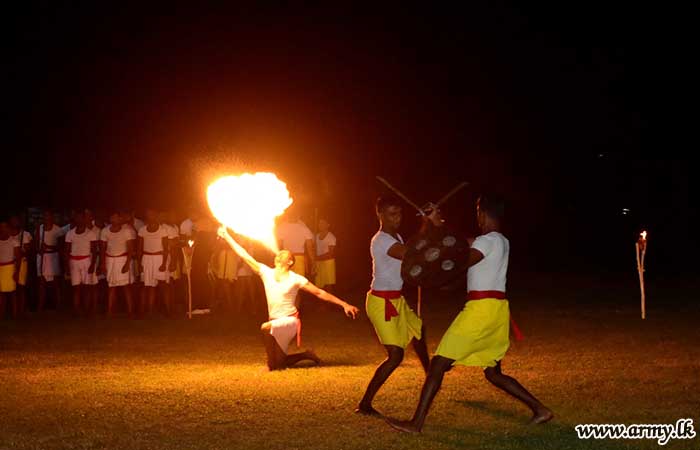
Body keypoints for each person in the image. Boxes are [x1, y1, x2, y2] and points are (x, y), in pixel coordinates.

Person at [386, 194, 553, 433]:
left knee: (438, 364)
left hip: (480, 310)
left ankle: (416, 423)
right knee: (493, 373)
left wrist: (437, 232)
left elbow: (459, 256)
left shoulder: (487, 242)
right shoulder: (500, 240)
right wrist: (436, 223)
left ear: (482, 214)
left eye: (477, 212)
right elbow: (462, 242)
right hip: (496, 309)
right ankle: (540, 410)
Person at [217, 226, 359, 371]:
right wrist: (227, 236)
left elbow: (319, 293)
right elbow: (244, 255)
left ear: (290, 262)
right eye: (279, 253)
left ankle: (269, 363)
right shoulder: (266, 272)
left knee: (265, 328)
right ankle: (306, 354)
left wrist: (344, 304)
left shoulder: (296, 279)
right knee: (278, 364)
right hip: (274, 319)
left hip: (289, 321)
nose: (279, 254)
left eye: (284, 254)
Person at [356, 196, 439, 416]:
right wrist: (427, 224)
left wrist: (426, 224)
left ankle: (430, 374)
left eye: (400, 213)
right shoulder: (381, 240)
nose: (397, 219)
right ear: (380, 215)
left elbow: (411, 253)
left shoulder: (397, 236)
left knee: (419, 330)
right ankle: (365, 404)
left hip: (396, 299)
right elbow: (410, 253)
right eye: (392, 214)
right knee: (395, 356)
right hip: (380, 302)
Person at [100, 210, 137, 317]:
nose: (113, 219)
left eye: (115, 217)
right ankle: (110, 311)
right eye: (112, 217)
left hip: (123, 259)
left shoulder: (127, 231)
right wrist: (102, 264)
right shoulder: (105, 231)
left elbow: (131, 249)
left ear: (120, 219)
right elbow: (102, 248)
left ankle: (130, 311)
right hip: (110, 260)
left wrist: (127, 264)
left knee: (126, 286)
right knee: (111, 286)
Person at [64, 211, 99, 315]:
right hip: (74, 261)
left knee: (87, 287)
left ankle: (87, 309)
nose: (79, 220)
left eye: (81, 218)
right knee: (76, 287)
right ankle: (76, 310)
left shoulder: (91, 233)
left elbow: (94, 250)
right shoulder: (70, 233)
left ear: (85, 219)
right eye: (77, 218)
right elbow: (66, 250)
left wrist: (93, 264)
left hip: (86, 261)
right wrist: (66, 266)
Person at [137, 209, 170, 316]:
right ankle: (147, 310)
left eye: (152, 214)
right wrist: (139, 264)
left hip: (159, 258)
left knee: (163, 285)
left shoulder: (162, 230)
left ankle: (168, 310)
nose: (150, 216)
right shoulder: (142, 230)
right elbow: (139, 248)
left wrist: (164, 263)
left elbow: (166, 248)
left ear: (156, 216)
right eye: (148, 215)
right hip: (146, 258)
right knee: (147, 286)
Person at [36, 210, 66, 311]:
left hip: (53, 257)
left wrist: (48, 247)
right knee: (41, 282)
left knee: (55, 283)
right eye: (44, 216)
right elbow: (36, 243)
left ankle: (58, 305)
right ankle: (40, 305)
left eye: (48, 216)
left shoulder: (58, 230)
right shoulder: (40, 228)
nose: (46, 218)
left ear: (52, 217)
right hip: (42, 257)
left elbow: (61, 247)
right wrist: (38, 249)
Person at [276, 207, 315, 278]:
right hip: (299, 259)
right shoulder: (304, 228)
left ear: (287, 216)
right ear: (298, 216)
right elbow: (310, 249)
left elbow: (279, 246)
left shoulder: (281, 228)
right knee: (299, 283)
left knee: (287, 282)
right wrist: (313, 263)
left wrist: (278, 260)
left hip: (286, 258)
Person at [9, 214, 32, 316]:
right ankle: (14, 310)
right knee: (11, 287)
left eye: (16, 220)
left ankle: (21, 310)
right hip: (9, 263)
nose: (14, 223)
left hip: (22, 262)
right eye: (12, 221)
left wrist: (19, 252)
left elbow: (28, 250)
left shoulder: (25, 234)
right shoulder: (7, 234)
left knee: (21, 287)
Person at [0, 218, 21, 318]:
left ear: (8, 228)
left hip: (10, 267)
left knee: (13, 292)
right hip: (1, 268)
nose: (3, 229)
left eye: (5, 227)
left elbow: (18, 257)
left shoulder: (14, 241)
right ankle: (2, 313)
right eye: (1, 227)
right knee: (1, 293)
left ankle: (15, 313)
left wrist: (16, 271)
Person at [314, 218, 337, 293]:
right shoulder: (316, 236)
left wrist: (317, 258)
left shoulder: (331, 237)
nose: (320, 225)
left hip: (328, 262)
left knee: (328, 284)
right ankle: (321, 303)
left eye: (323, 223)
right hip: (318, 262)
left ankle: (329, 303)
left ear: (328, 225)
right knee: (319, 285)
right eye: (320, 223)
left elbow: (330, 253)